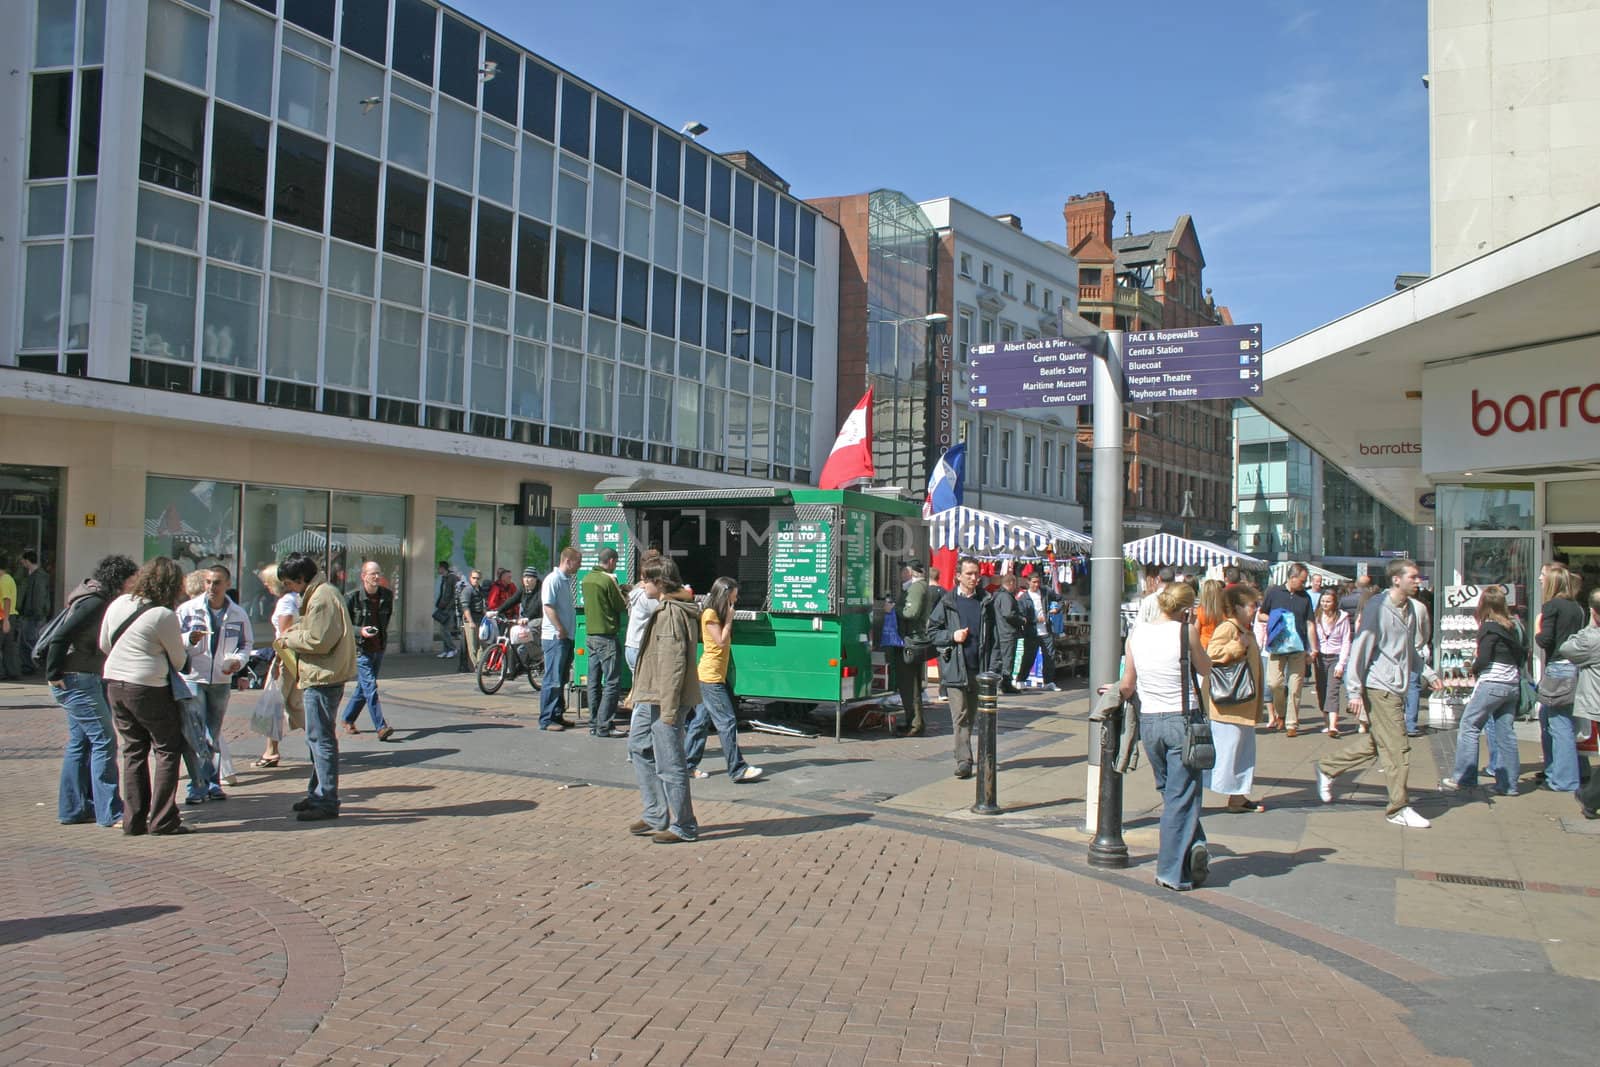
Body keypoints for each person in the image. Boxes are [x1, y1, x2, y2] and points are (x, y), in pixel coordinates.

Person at [1316, 558, 1441, 829]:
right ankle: (1398, 807)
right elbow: (1360, 648)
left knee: (1379, 743)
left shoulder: (1410, 609)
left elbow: (1408, 649)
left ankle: (1328, 766)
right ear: (1397, 579)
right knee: (1398, 748)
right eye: (1413, 577)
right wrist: (1354, 691)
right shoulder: (1378, 608)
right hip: (1379, 687)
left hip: (1398, 687)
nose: (1418, 581)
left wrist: (1429, 674)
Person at [1116, 582, 1213, 890]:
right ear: (1186, 609)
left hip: (1150, 722)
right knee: (1181, 797)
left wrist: (1114, 691)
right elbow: (1205, 667)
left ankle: (1195, 845)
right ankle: (1171, 872)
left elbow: (1128, 683)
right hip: (1181, 719)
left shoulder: (1137, 633)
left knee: (1171, 792)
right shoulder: (1186, 633)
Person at [99, 557, 193, 836]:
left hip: (115, 682)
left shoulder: (119, 603)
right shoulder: (163, 615)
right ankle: (163, 819)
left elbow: (105, 643)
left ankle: (134, 819)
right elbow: (178, 660)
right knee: (166, 748)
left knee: (133, 750)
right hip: (149, 686)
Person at [43, 554, 137, 827]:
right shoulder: (95, 602)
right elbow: (61, 636)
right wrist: (53, 675)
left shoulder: (93, 598)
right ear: (119, 579)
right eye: (131, 579)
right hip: (77, 678)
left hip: (82, 676)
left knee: (81, 742)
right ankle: (110, 811)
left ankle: (73, 808)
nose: (134, 584)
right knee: (104, 741)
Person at [274, 552, 357, 821]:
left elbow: (319, 639)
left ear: (300, 578)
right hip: (322, 674)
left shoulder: (322, 597)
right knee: (316, 738)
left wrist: (290, 638)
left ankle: (327, 798)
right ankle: (319, 793)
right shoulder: (321, 594)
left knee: (320, 739)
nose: (289, 589)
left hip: (323, 676)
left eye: (289, 583)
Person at [625, 558, 702, 843]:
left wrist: (669, 710)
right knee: (638, 746)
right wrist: (637, 693)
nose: (641, 584)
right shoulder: (664, 608)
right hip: (651, 695)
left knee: (670, 760)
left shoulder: (671, 612)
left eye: (645, 579)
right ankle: (656, 813)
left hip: (664, 698)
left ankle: (684, 825)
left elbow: (673, 666)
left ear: (660, 582)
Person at [1441, 585, 1524, 796]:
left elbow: (1485, 658)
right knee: (1506, 733)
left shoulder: (1488, 627)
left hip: (1492, 682)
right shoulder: (1512, 626)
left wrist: (1473, 669)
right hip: (1512, 683)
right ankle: (1509, 784)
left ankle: (1464, 778)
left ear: (1483, 605)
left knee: (1469, 725)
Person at [176, 565, 252, 795]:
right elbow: (173, 639)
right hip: (194, 676)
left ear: (227, 584)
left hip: (221, 679)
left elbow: (246, 644)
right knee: (196, 732)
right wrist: (189, 638)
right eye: (208, 582)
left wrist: (239, 661)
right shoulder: (188, 609)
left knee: (213, 732)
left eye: (217, 582)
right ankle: (197, 785)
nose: (211, 587)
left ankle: (213, 782)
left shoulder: (238, 613)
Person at [685, 577, 764, 783]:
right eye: (733, 597)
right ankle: (737, 768)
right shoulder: (710, 614)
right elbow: (720, 642)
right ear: (724, 595)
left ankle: (687, 764)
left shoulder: (715, 614)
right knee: (727, 721)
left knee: (701, 722)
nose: (735, 602)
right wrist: (729, 619)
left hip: (711, 676)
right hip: (710, 677)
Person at [929, 556, 995, 780]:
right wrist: (952, 636)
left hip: (980, 669)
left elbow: (995, 636)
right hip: (956, 668)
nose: (974, 578)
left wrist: (995, 667)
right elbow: (932, 632)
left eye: (977, 573)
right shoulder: (948, 602)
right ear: (958, 576)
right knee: (961, 716)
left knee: (974, 715)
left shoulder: (986, 600)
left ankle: (972, 755)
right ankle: (964, 761)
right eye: (969, 574)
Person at [1206, 583, 1265, 814]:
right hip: (1230, 705)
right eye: (1252, 605)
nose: (1256, 609)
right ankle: (1233, 795)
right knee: (1227, 754)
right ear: (1238, 607)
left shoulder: (1244, 629)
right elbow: (1212, 653)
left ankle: (1238, 797)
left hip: (1241, 705)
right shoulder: (1229, 628)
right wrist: (1237, 646)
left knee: (1242, 752)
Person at [1536, 563, 1586, 794]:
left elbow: (1545, 640)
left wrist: (1537, 627)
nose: (1540, 579)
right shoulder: (1577, 608)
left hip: (1558, 668)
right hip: (1573, 668)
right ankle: (1557, 771)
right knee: (1551, 719)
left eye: (1543, 577)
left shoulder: (1552, 606)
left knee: (1560, 725)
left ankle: (1564, 779)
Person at [1259, 562, 1318, 736]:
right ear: (1292, 578)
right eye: (1302, 580)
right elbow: (1261, 614)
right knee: (1274, 683)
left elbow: (1310, 624)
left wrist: (1313, 649)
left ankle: (1292, 724)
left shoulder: (1305, 597)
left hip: (1298, 648)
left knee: (1295, 686)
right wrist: (1275, 620)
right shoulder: (1274, 593)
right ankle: (1281, 713)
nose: (1304, 584)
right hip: (1277, 646)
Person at [253, 564, 303, 768]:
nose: (265, 585)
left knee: (274, 703)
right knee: (294, 705)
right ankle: (321, 741)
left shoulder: (286, 603)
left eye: (267, 581)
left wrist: (278, 663)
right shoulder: (295, 599)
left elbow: (285, 635)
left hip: (285, 659)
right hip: (294, 659)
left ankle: (271, 751)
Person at [341, 561, 396, 742]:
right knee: (370, 686)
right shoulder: (352, 598)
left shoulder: (386, 596)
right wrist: (360, 631)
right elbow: (344, 624)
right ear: (363, 576)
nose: (376, 577)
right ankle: (381, 727)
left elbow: (386, 620)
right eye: (372, 574)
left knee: (363, 688)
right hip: (360, 649)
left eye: (378, 573)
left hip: (378, 648)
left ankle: (348, 718)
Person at [1561, 588, 1600, 818]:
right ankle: (1590, 797)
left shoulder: (1592, 639)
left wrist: (1591, 624)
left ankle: (1589, 797)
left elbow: (1567, 647)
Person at [581, 548, 628, 738]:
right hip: (607, 637)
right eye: (615, 562)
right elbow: (621, 605)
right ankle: (605, 725)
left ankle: (593, 723)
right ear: (610, 561)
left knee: (593, 682)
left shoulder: (586, 579)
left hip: (590, 635)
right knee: (611, 682)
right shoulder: (607, 580)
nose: (615, 565)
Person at [538, 548, 581, 731]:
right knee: (553, 678)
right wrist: (560, 628)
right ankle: (546, 719)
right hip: (555, 637)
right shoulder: (553, 580)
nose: (579, 566)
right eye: (578, 562)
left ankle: (557, 714)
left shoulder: (565, 581)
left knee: (561, 678)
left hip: (565, 637)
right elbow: (548, 606)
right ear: (568, 561)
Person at [895, 561, 933, 733]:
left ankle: (915, 723)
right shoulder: (920, 587)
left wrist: (893, 608)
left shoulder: (917, 588)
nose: (901, 573)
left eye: (904, 570)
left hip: (911, 641)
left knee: (909, 684)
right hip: (914, 640)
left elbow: (911, 612)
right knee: (912, 684)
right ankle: (914, 721)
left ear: (910, 572)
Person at [1313, 590, 1352, 737]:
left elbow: (1346, 641)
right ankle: (1326, 722)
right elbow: (1312, 636)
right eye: (1323, 601)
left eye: (1328, 601)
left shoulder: (1342, 618)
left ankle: (1333, 726)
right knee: (1321, 689)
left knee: (1333, 690)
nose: (1325, 604)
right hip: (1320, 657)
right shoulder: (1316, 616)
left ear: (1334, 602)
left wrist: (1341, 663)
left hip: (1336, 656)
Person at [1016, 573, 1059, 693]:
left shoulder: (1045, 592)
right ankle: (1021, 680)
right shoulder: (1024, 598)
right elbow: (1021, 616)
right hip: (1032, 631)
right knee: (1029, 657)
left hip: (1046, 630)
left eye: (1038, 582)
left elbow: (1058, 599)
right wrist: (1035, 620)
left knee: (1050, 656)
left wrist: (1056, 608)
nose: (1036, 585)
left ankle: (1049, 682)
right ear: (1028, 582)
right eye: (1034, 582)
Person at [16, 550, 52, 673]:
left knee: (31, 641)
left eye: (23, 561)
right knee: (28, 641)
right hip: (31, 614)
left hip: (33, 615)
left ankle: (33, 665)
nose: (22, 564)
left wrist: (37, 613)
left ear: (27, 561)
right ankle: (30, 665)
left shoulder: (38, 577)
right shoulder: (34, 575)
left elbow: (38, 597)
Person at [989, 573, 1025, 694]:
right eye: (1014, 583)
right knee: (1007, 659)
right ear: (1011, 583)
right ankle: (1004, 684)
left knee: (1000, 658)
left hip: (1000, 632)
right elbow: (1008, 614)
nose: (1015, 586)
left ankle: (999, 683)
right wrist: (1021, 620)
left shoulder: (998, 595)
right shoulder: (1005, 596)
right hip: (1007, 632)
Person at [624, 573, 659, 672]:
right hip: (641, 648)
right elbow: (665, 610)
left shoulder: (637, 593)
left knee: (637, 684)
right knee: (647, 685)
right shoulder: (648, 598)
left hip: (630, 646)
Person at [457, 569, 487, 670]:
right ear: (470, 578)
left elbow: (482, 605)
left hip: (480, 619)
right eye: (474, 578)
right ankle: (476, 667)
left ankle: (481, 665)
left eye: (478, 578)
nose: (476, 580)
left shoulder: (480, 590)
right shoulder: (467, 590)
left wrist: (487, 614)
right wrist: (470, 622)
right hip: (471, 620)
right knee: (472, 646)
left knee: (482, 644)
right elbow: (465, 607)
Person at [433, 560, 459, 659]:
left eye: (438, 568)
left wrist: (449, 606)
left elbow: (455, 594)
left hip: (449, 608)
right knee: (442, 630)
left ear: (443, 568)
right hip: (443, 606)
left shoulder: (452, 578)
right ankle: (446, 650)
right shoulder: (444, 578)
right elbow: (443, 593)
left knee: (445, 630)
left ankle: (452, 649)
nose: (437, 570)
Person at [0, 555, 19, 681]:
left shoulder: (3, 580)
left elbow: (7, 599)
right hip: (9, 616)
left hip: (4, 617)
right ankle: (12, 671)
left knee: (5, 646)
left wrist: (6, 620)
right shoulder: (8, 579)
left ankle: (3, 672)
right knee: (8, 647)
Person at [1196, 579, 1226, 649]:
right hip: (1221, 645)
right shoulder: (1225, 611)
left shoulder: (1201, 611)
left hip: (1204, 646)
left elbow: (1196, 631)